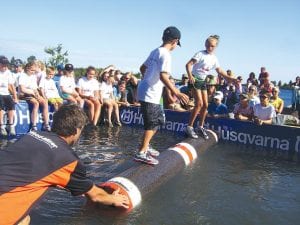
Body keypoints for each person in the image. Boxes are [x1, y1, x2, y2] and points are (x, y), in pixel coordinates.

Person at [0, 104, 129, 225]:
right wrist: (114, 199)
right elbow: (96, 196)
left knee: (25, 218)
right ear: (76, 131)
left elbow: (25, 167)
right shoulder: (68, 160)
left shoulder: (32, 135)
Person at [135, 26, 189, 165]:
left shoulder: (155, 51)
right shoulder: (166, 54)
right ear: (175, 41)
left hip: (145, 90)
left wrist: (147, 80)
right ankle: (141, 152)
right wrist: (177, 92)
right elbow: (163, 76)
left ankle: (146, 146)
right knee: (152, 123)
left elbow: (142, 68)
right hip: (150, 93)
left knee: (159, 120)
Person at [185, 35, 236, 139]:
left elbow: (219, 71)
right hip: (195, 79)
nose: (209, 47)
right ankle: (189, 127)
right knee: (199, 104)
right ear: (205, 44)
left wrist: (229, 78)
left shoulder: (214, 58)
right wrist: (190, 76)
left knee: (205, 105)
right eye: (208, 45)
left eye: (212, 46)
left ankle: (200, 127)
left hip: (203, 81)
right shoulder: (200, 54)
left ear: (215, 47)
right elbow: (188, 65)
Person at [18, 61, 51, 131]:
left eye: (34, 70)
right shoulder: (22, 75)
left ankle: (46, 124)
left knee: (45, 102)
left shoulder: (33, 76)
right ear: (27, 68)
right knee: (36, 103)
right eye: (32, 70)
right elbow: (22, 89)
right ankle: (34, 125)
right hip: (23, 94)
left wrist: (37, 94)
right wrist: (33, 93)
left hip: (31, 93)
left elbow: (35, 88)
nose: (33, 72)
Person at [0, 56, 18, 136]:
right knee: (1, 107)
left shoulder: (8, 72)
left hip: (6, 93)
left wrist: (15, 97)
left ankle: (10, 125)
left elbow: (12, 85)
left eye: (6, 65)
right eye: (3, 65)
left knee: (11, 105)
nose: (5, 67)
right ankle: (2, 127)